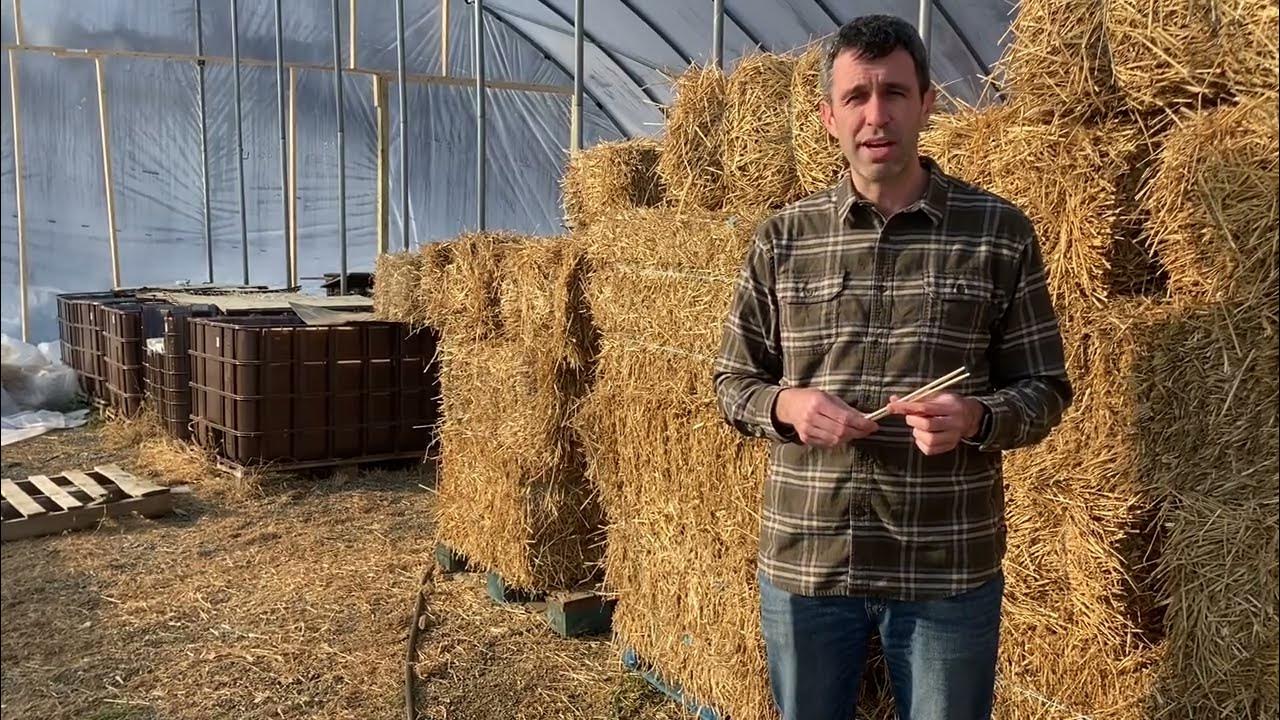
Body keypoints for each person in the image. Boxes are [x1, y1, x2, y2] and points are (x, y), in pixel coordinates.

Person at [712, 14, 1072, 720]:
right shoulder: (784, 239)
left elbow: (1045, 388)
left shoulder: (997, 233)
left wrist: (977, 417)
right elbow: (733, 383)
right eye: (856, 96)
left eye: (895, 93)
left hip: (944, 569)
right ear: (828, 117)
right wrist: (787, 407)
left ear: (928, 102)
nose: (876, 115)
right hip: (811, 563)